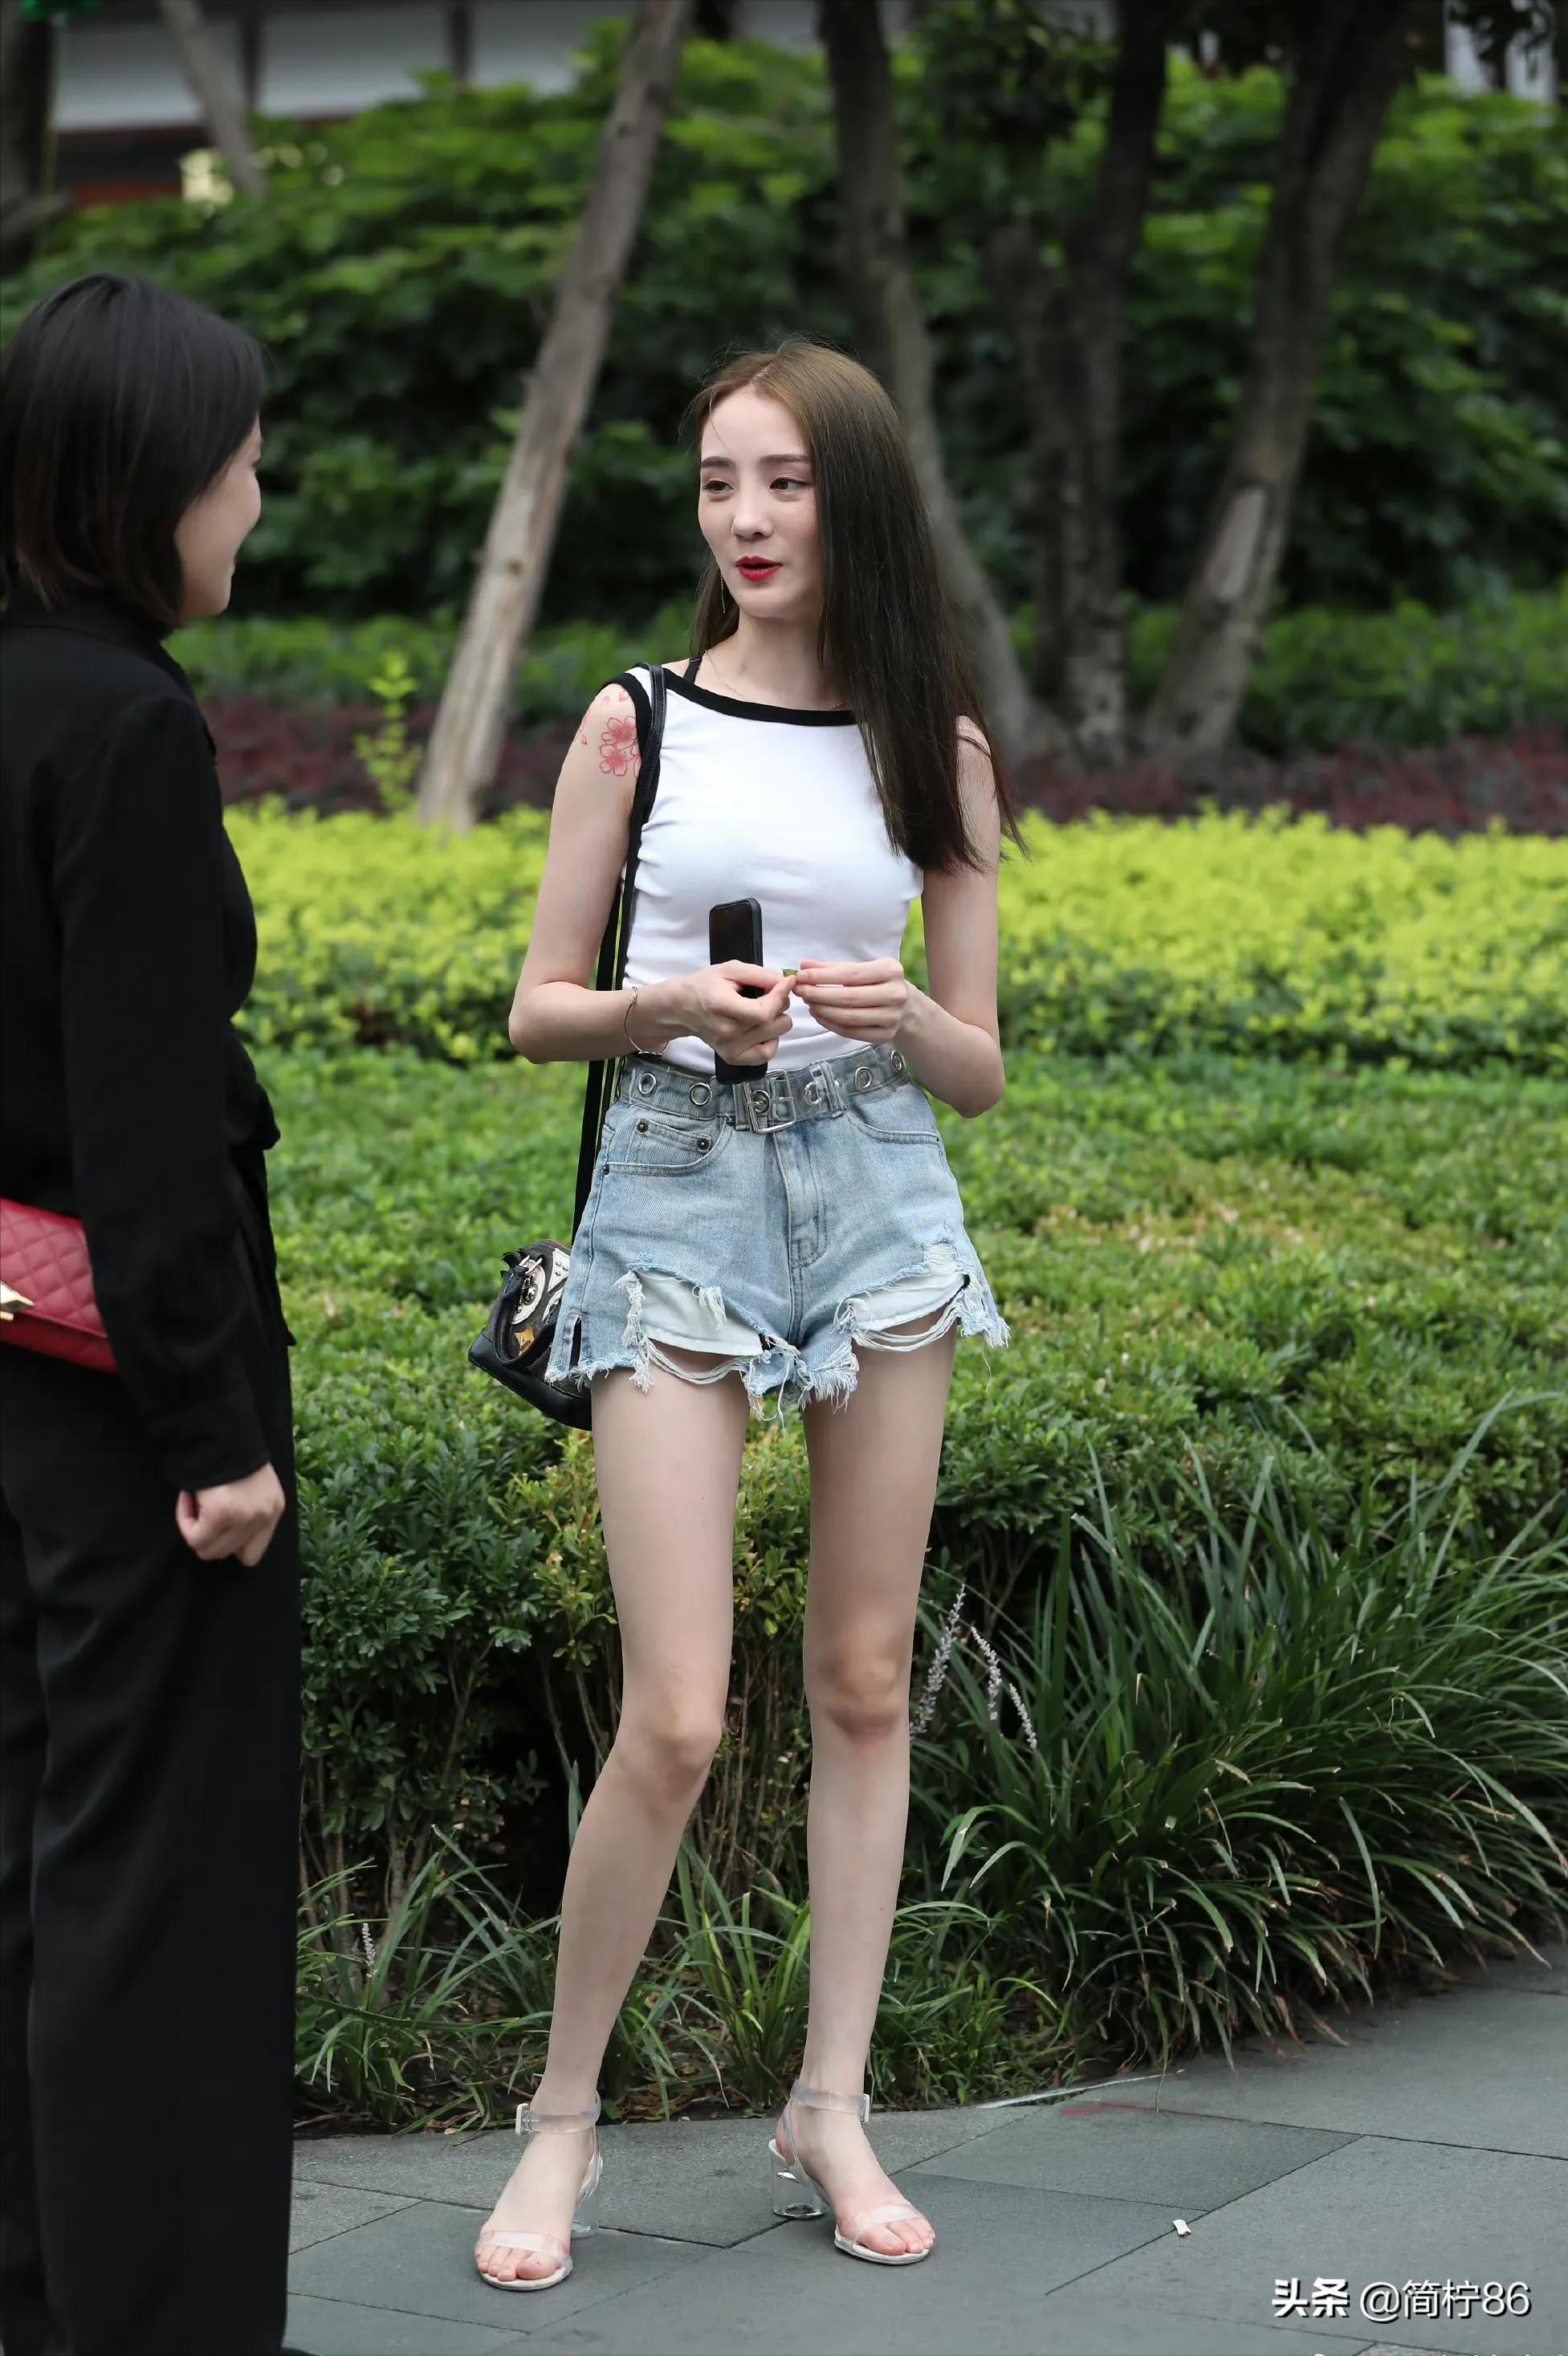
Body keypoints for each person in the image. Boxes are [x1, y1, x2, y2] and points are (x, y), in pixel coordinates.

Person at [476, 338, 1018, 2291]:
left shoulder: (929, 744)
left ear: (848, 496)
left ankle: (827, 2101)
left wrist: (909, 1020)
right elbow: (537, 1003)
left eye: (782, 482)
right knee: (683, 1714)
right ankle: (560, 2126)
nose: (747, 519)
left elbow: (980, 1071)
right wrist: (660, 1012)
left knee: (863, 1683)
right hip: (677, 1202)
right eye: (718, 483)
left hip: (877, 1201)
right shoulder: (635, 723)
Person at [0, 276, 302, 2356]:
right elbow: (150, 1129)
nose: (255, 499)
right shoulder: (122, 725)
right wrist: (214, 1437)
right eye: (235, 461)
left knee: (32, 1866)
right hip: (127, 1413)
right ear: (144, 488)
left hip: (6, 1369)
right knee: (152, 1900)